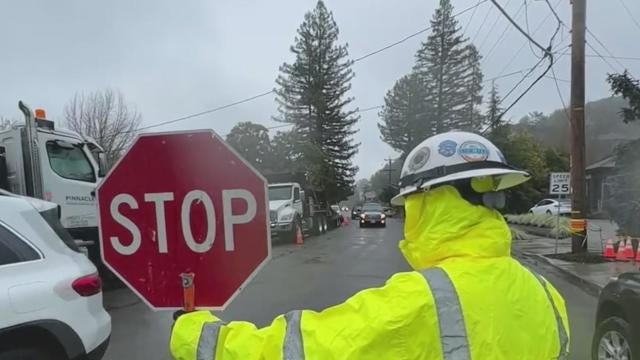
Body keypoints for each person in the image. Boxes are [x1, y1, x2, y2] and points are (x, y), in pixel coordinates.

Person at [170, 131, 570, 360]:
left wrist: (198, 335)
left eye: (411, 204)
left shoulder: (422, 301)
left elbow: (303, 349)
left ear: (427, 203)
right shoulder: (546, 295)